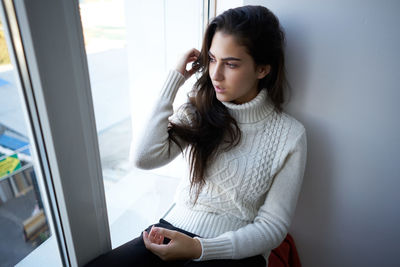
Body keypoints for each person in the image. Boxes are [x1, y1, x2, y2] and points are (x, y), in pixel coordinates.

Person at [86, 5, 306, 267]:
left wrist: (199, 248)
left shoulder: (289, 135)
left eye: (231, 64)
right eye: (212, 59)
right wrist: (175, 79)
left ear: (263, 69)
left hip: (234, 252)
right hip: (172, 230)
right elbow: (144, 158)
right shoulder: (199, 110)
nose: (215, 74)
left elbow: (272, 228)